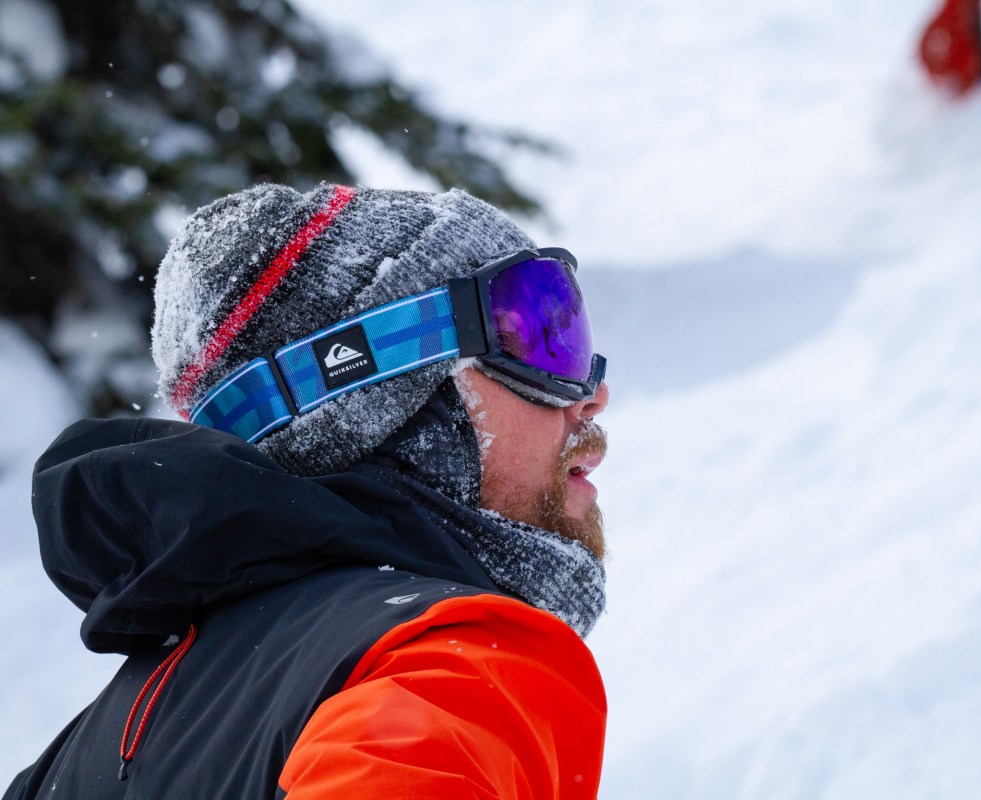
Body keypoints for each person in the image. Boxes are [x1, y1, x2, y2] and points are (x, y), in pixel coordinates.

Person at [4, 184, 610, 799]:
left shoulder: (81, 751)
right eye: (535, 334)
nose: (592, 395)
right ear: (377, 393)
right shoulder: (444, 669)